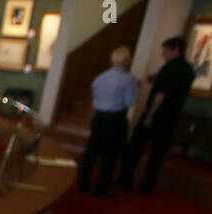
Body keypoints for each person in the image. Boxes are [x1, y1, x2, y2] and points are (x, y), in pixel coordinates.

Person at [117, 37, 195, 195]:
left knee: (135, 147)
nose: (163, 54)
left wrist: (150, 115)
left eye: (165, 50)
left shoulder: (168, 68)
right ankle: (148, 185)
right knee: (157, 153)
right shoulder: (188, 69)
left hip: (157, 115)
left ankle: (125, 179)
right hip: (172, 116)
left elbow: (161, 95)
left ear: (175, 50)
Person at [81, 46, 138, 197]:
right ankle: (101, 187)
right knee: (110, 155)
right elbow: (131, 100)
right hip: (115, 119)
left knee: (92, 151)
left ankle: (83, 182)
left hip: (99, 117)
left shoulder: (100, 77)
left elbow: (95, 97)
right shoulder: (127, 79)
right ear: (126, 60)